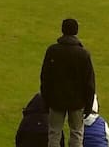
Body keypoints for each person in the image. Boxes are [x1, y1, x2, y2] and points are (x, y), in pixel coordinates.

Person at [40, 18, 95, 147]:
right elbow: (89, 82)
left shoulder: (52, 51)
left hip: (56, 100)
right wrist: (89, 104)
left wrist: (45, 99)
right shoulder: (83, 54)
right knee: (76, 133)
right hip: (77, 101)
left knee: (54, 133)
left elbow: (45, 78)